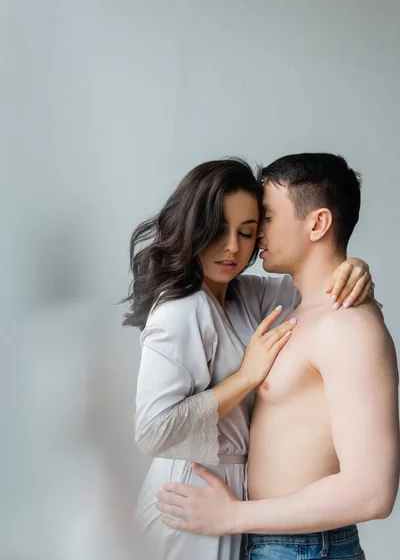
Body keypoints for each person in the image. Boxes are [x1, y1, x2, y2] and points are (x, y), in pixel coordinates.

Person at [125, 157, 373, 560]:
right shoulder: (179, 310)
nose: (233, 248)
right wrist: (245, 377)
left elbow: (319, 291)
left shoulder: (250, 295)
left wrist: (356, 268)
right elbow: (152, 432)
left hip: (238, 504)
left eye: (247, 232)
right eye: (219, 230)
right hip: (191, 496)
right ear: (195, 227)